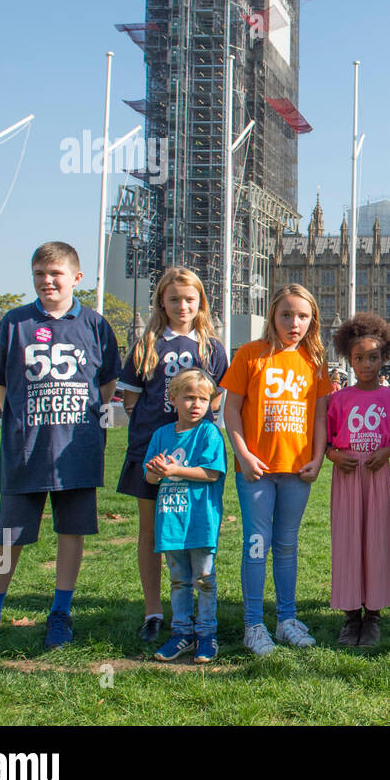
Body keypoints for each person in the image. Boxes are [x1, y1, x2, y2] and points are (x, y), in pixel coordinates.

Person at [0, 242, 120, 653]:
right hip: (25, 451)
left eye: (56, 274)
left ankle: (60, 613)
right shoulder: (14, 323)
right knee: (7, 537)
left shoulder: (96, 326)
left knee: (71, 532)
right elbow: (3, 386)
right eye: (39, 274)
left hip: (75, 453)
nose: (47, 281)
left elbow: (105, 387)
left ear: (76, 278)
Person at [116, 266, 228, 643]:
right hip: (152, 453)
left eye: (190, 299)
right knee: (150, 532)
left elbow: (213, 399)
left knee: (194, 532)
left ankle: (197, 613)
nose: (182, 306)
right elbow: (131, 401)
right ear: (162, 302)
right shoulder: (147, 344)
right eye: (174, 299)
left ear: (200, 304)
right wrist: (158, 444)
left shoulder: (212, 348)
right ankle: (154, 611)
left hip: (194, 458)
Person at [220, 283, 330, 656]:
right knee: (256, 544)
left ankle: (286, 620)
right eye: (286, 314)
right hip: (256, 469)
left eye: (302, 316)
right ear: (272, 316)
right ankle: (253, 624)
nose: (294, 323)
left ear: (312, 319)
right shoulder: (251, 355)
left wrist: (318, 456)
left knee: (286, 545)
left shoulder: (314, 360)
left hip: (297, 469)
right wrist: (243, 454)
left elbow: (319, 416)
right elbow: (230, 410)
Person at [326, 313, 390, 647]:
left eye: (373, 357)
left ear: (383, 358)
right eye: (359, 358)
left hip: (377, 477)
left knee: (376, 541)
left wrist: (387, 452)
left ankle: (373, 615)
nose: (366, 364)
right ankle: (349, 617)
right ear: (349, 359)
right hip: (346, 478)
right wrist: (333, 455)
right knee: (348, 543)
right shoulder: (338, 400)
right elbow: (327, 441)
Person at [146, 369, 227, 664]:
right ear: (173, 400)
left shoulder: (209, 433)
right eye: (189, 398)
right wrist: (155, 471)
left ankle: (206, 634)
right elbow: (150, 478)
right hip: (171, 522)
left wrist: (174, 470)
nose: (196, 404)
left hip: (201, 522)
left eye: (203, 399)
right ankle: (181, 633)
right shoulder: (161, 435)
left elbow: (211, 472)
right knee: (179, 580)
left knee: (204, 578)